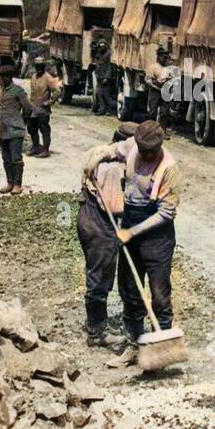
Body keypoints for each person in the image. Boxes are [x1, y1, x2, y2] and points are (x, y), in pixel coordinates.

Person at [79, 120, 180, 365]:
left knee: (159, 293)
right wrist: (97, 160)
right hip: (131, 223)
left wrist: (132, 232)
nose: (144, 155)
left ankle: (162, 345)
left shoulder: (169, 167)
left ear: (159, 146)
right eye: (142, 149)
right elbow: (112, 150)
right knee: (130, 290)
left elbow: (167, 212)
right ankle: (134, 345)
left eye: (150, 151)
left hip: (156, 233)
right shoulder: (132, 146)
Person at [76, 121, 138, 346]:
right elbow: (114, 206)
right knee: (100, 276)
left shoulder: (96, 151)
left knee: (97, 272)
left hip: (86, 215)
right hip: (100, 221)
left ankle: (96, 324)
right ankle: (97, 331)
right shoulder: (112, 169)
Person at [0, 64, 32, 194]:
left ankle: (18, 184)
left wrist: (20, 121)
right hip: (3, 130)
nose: (1, 80)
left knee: (16, 159)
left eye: (2, 77)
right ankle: (10, 182)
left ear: (8, 77)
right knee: (6, 158)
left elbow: (28, 109)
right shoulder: (0, 91)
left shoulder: (18, 91)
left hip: (15, 130)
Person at [26, 58, 62, 157]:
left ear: (44, 66)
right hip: (33, 109)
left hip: (43, 110)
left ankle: (46, 150)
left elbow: (57, 91)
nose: (39, 69)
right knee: (32, 129)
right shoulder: (33, 77)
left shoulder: (48, 77)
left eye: (41, 66)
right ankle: (35, 147)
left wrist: (50, 102)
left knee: (44, 130)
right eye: (37, 66)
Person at [143, 47, 177, 124]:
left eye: (167, 57)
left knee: (164, 114)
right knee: (152, 113)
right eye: (164, 57)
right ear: (158, 57)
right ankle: (150, 129)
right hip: (155, 91)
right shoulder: (153, 67)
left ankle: (162, 131)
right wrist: (158, 88)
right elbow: (148, 81)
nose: (165, 59)